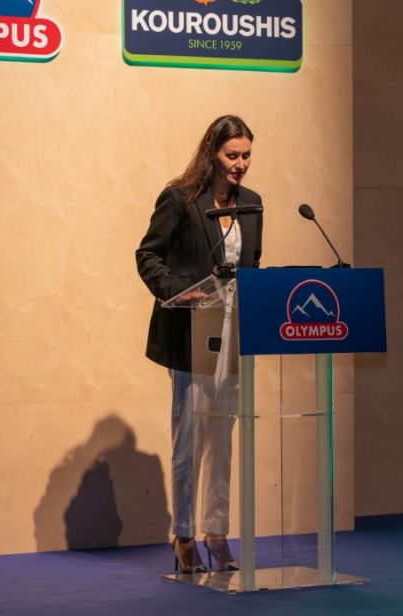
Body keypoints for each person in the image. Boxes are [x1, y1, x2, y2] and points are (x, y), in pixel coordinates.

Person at [136, 115, 262, 574]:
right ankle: (184, 534)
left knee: (223, 438)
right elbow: (147, 254)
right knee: (189, 438)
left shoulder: (251, 203)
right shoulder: (181, 199)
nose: (240, 164)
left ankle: (217, 532)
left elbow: (252, 264)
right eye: (232, 155)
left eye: (246, 155)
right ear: (212, 153)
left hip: (235, 334)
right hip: (191, 332)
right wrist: (178, 291)